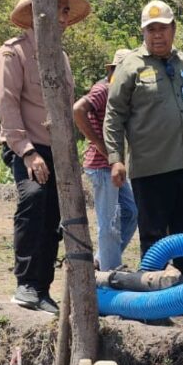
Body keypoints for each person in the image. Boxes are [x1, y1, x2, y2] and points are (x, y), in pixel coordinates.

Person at [0, 0, 91, 314]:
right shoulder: (12, 53)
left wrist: (69, 154)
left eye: (66, 11)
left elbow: (64, 108)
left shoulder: (60, 57)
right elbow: (8, 106)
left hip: (58, 150)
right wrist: (28, 152)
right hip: (25, 146)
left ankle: (42, 289)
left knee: (56, 214)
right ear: (38, 13)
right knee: (33, 198)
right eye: (58, 10)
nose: (63, 17)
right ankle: (25, 283)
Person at [104, 0, 183, 283]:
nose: (157, 35)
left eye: (163, 28)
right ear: (143, 32)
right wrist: (116, 159)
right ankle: (155, 304)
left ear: (173, 29)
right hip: (151, 168)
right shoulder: (130, 66)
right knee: (154, 239)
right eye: (151, 29)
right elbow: (113, 115)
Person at [72, 48, 138, 271]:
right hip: (100, 165)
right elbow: (78, 110)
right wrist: (101, 145)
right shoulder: (103, 89)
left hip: (112, 165)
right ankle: (109, 274)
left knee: (130, 213)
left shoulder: (120, 91)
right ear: (114, 70)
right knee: (109, 223)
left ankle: (104, 260)